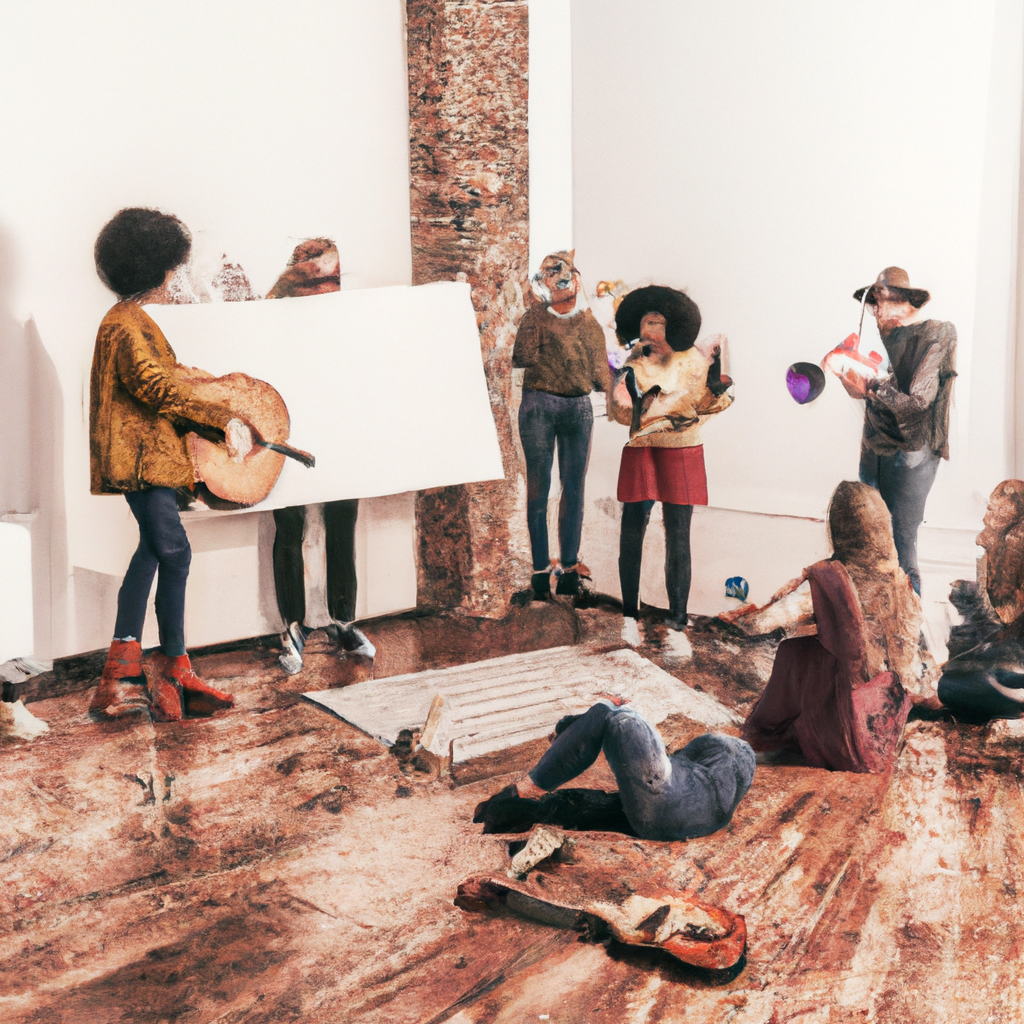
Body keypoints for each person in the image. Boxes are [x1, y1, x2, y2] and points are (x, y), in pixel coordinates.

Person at [88, 207, 248, 721]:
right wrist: (222, 418)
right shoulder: (125, 325)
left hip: (150, 460)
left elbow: (169, 385)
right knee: (174, 552)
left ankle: (144, 671)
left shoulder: (131, 321)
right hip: (142, 463)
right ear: (159, 269)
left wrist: (216, 421)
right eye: (175, 267)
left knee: (154, 553)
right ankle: (153, 672)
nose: (178, 277)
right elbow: (157, 388)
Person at [741, 482, 920, 773]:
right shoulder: (899, 580)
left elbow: (764, 623)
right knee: (815, 652)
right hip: (887, 726)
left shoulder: (832, 577)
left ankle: (766, 732)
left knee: (793, 652)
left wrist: (745, 614)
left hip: (849, 737)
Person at [265, 239, 375, 674]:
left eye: (333, 278)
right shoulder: (277, 318)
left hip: (339, 428)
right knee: (289, 525)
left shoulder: (347, 319)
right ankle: (291, 626)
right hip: (290, 429)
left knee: (343, 520)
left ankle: (343, 621)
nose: (329, 288)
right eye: (317, 280)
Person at [608, 286, 732, 645]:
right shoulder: (632, 365)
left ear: (672, 327)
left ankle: (678, 623)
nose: (651, 331)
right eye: (646, 323)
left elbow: (711, 403)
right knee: (632, 532)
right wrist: (633, 399)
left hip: (683, 450)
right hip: (642, 449)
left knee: (679, 536)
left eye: (658, 324)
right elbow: (620, 413)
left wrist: (716, 385)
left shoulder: (693, 360)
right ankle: (629, 616)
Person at [474, 699, 755, 842]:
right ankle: (529, 792)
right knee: (611, 718)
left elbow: (606, 718)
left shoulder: (716, 754)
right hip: (697, 816)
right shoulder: (730, 762)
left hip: (667, 808)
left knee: (608, 713)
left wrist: (590, 717)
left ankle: (523, 791)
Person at [842, 268, 957, 595]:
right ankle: (875, 616)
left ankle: (911, 620)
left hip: (912, 457)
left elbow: (917, 402)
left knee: (903, 547)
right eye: (876, 303)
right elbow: (866, 392)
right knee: (870, 540)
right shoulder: (883, 339)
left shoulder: (936, 334)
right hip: (874, 451)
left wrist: (873, 385)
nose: (880, 311)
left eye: (887, 301)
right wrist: (850, 378)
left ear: (908, 303)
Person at [513, 251, 609, 599]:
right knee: (539, 489)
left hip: (576, 408)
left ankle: (568, 568)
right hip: (539, 404)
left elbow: (601, 376)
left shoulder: (589, 324)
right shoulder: (535, 317)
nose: (557, 280)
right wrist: (538, 313)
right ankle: (541, 571)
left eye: (561, 273)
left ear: (576, 279)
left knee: (574, 488)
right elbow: (521, 357)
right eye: (548, 275)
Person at [938, 480, 1024, 722]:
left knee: (955, 684)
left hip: (1015, 658)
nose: (986, 516)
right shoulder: (998, 546)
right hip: (1009, 650)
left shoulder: (1015, 543)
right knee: (954, 677)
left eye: (992, 510)